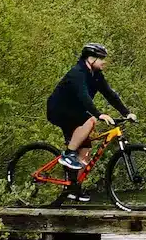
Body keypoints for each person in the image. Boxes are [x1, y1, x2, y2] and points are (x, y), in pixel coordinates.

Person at [46, 43, 134, 177]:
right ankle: (68, 154)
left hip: (75, 112)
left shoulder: (96, 75)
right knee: (91, 120)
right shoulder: (77, 73)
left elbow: (110, 94)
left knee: (85, 153)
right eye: (102, 59)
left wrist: (126, 113)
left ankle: (73, 188)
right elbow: (84, 97)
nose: (104, 62)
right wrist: (99, 115)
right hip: (58, 110)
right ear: (91, 59)